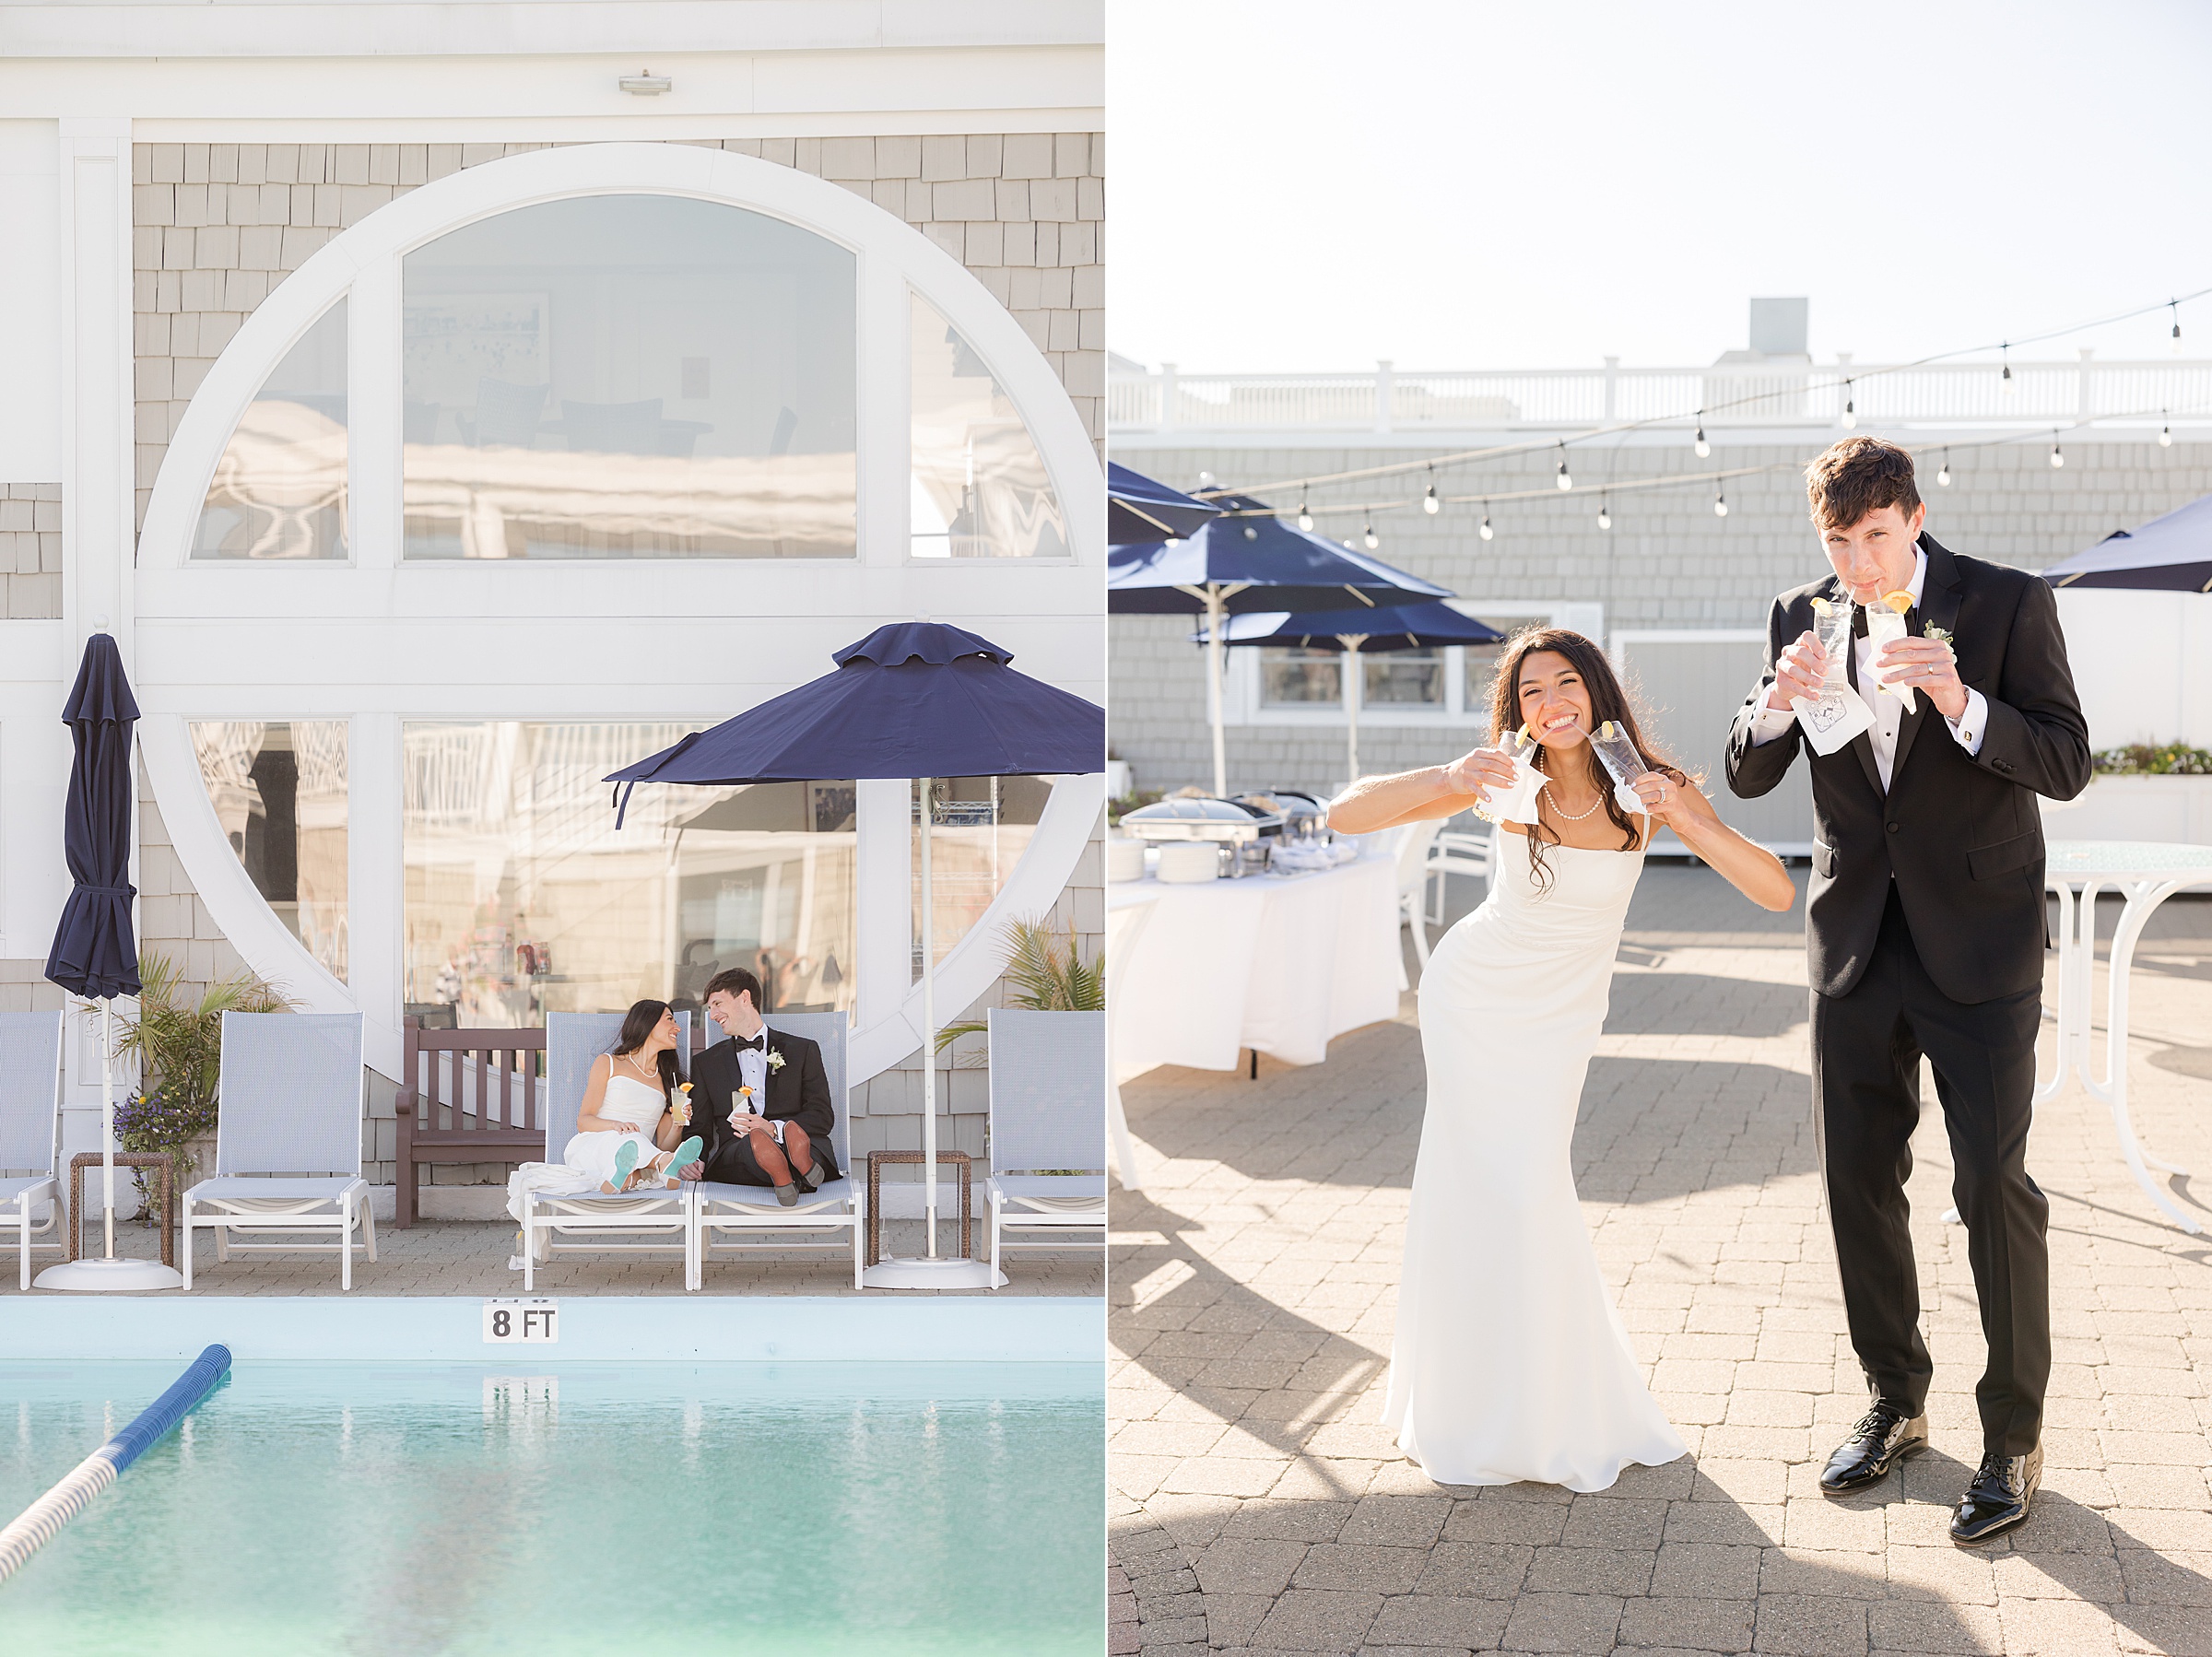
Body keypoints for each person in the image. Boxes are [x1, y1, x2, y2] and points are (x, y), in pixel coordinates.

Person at [1727, 436, 2089, 1545]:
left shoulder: (2007, 603)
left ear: (1915, 519)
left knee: (1991, 1184)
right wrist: (1781, 706)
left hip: (1977, 942)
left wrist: (1968, 704)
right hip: (1854, 947)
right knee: (1856, 1187)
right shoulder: (1803, 611)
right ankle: (1897, 1399)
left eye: (1875, 536)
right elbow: (1745, 765)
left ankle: (2013, 1433)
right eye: (1838, 541)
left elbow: (2068, 759)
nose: (1858, 562)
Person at [1333, 629, 1794, 1492]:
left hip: (1560, 1025)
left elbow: (1775, 890)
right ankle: (1476, 1408)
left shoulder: (1647, 790)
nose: (1553, 701)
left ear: (1597, 692)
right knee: (1490, 1190)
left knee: (1528, 1188)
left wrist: (1690, 815)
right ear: (1519, 713)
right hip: (1474, 1001)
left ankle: (1546, 1403)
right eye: (1532, 690)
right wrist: (1448, 778)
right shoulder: (1505, 780)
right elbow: (1344, 814)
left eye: (1567, 682)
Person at [504, 1000, 703, 1252]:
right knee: (631, 1139)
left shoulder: (668, 1081)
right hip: (595, 1144)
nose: (678, 1027)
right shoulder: (608, 1063)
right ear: (648, 1024)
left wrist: (677, 1124)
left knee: (635, 1145)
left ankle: (625, 1178)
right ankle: (665, 1166)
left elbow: (664, 1143)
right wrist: (616, 1125)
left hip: (634, 1156)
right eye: (670, 1020)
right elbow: (583, 1120)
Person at [679, 968, 839, 1206]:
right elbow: (699, 1127)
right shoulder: (706, 1063)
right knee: (751, 1147)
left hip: (802, 1142)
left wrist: (774, 1128)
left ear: (745, 998)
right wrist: (693, 1159)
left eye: (717, 1004)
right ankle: (799, 1173)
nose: (712, 1015)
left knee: (802, 1145)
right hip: (740, 1154)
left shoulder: (802, 1050)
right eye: (710, 1009)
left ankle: (793, 1167)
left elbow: (822, 1116)